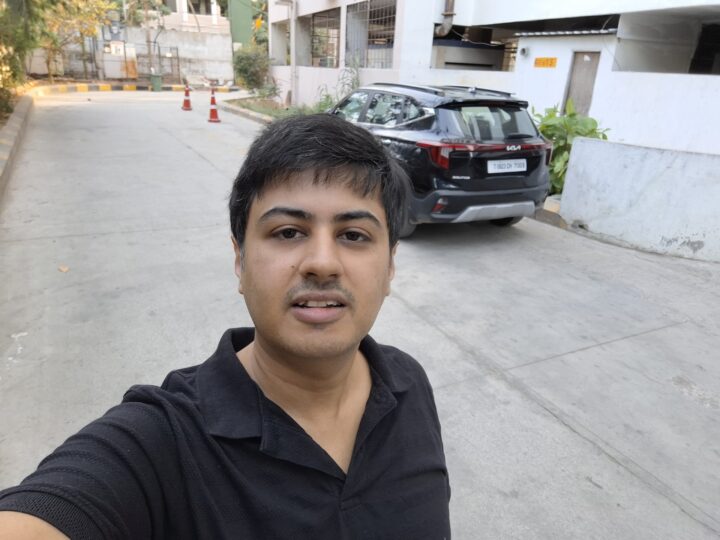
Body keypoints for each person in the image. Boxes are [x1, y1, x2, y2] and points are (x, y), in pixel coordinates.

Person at [0, 114, 451, 539]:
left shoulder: (408, 383)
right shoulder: (160, 444)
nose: (322, 263)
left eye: (353, 235)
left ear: (390, 266)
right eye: (288, 232)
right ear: (239, 260)